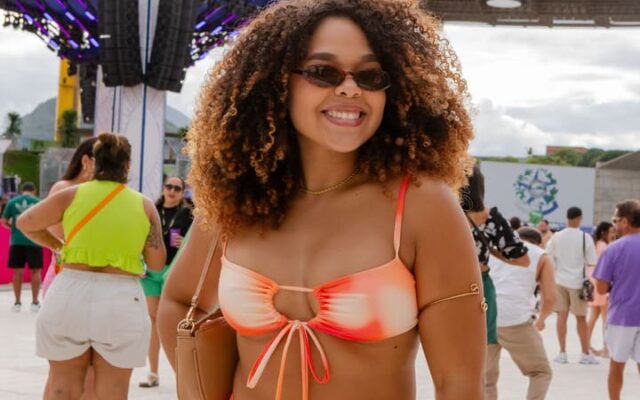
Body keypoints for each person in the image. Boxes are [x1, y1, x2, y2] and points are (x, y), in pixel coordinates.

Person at [158, 0, 487, 399]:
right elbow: (178, 301)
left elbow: (459, 385)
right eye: (322, 72)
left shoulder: (421, 206)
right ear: (277, 81)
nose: (349, 88)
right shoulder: (238, 199)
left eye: (370, 76)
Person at [16, 132, 166, 399]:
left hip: (70, 292)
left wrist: (58, 246)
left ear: (94, 162)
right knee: (113, 391)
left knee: (61, 388)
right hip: (121, 299)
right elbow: (157, 263)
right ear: (128, 165)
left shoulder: (70, 195)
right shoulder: (144, 205)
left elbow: (25, 222)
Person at [460, 163, 530, 392]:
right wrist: (493, 252)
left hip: (448, 287)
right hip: (480, 286)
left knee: (452, 355)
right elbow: (522, 259)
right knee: (484, 354)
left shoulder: (444, 213)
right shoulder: (491, 218)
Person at [486, 227, 556, 400]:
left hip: (486, 315)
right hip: (513, 318)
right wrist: (541, 320)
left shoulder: (494, 250)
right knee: (541, 372)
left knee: (486, 378)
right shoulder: (541, 255)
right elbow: (550, 298)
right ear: (539, 243)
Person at [139, 176, 193, 388]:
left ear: (182, 192)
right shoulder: (152, 210)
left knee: (172, 323)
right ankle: (152, 372)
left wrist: (184, 242)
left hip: (173, 271)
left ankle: (183, 375)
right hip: (150, 271)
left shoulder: (188, 213)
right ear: (163, 188)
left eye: (177, 188)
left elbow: (195, 244)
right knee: (153, 321)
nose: (172, 191)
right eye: (169, 186)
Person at [592, 200, 640, 400]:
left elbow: (601, 288)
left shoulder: (613, 248)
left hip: (622, 316)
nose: (613, 224)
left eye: (615, 220)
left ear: (625, 221)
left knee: (617, 365)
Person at [41, 137, 98, 298]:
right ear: (86, 161)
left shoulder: (100, 193)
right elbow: (55, 232)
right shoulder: (63, 188)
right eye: (102, 161)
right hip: (65, 274)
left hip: (91, 278)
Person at [546, 206, 599, 364]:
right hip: (578, 283)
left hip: (559, 281)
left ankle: (562, 353)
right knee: (581, 319)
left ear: (567, 218)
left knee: (561, 317)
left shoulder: (556, 236)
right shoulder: (585, 237)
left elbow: (548, 257)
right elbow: (592, 261)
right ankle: (585, 354)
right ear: (579, 219)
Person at [1, 181, 42, 312]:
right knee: (36, 271)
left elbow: (3, 221)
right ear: (34, 191)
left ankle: (17, 302)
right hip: (34, 241)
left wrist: (13, 228)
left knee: (17, 272)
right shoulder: (39, 202)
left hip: (17, 241)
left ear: (22, 190)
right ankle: (34, 302)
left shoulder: (12, 202)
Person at [587, 221, 615, 357]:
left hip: (594, 282)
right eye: (611, 231)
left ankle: (586, 345)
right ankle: (606, 349)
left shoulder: (596, 245)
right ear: (604, 232)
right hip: (602, 283)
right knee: (606, 318)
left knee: (594, 317)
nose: (613, 234)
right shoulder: (605, 246)